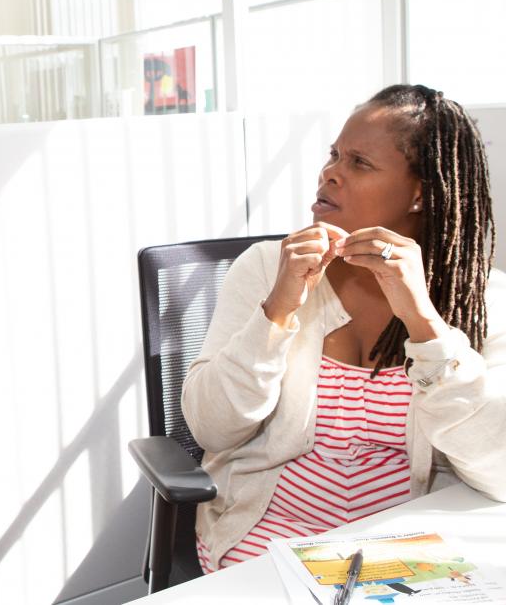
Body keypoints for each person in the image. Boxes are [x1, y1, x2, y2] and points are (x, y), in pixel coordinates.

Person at [182, 84, 506, 574]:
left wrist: (424, 323)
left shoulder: (479, 299)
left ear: (420, 193)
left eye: (359, 163)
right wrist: (277, 311)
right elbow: (212, 426)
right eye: (334, 155)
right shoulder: (268, 268)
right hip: (270, 532)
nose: (329, 172)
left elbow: (499, 468)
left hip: (408, 540)